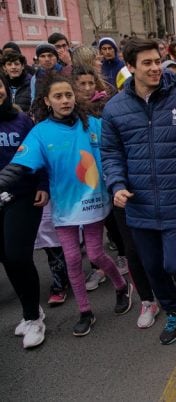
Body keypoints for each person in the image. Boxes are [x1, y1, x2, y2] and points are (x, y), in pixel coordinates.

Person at [100, 37, 176, 345]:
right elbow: (110, 153)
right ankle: (174, 311)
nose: (155, 68)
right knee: (151, 267)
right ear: (130, 67)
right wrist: (118, 185)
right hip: (138, 204)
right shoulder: (114, 109)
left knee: (175, 263)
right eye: (147, 63)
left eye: (157, 61)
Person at [0, 74, 132, 337]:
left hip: (95, 201)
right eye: (58, 97)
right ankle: (85, 311)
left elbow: (118, 150)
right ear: (47, 101)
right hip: (64, 207)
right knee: (72, 259)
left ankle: (120, 285)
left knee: (94, 255)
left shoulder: (94, 124)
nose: (65, 100)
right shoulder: (40, 132)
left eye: (68, 95)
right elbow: (19, 166)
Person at [0, 74, 48, 348]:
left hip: (22, 195)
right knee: (6, 256)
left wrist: (43, 184)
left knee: (18, 254)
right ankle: (32, 309)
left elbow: (39, 153)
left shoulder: (20, 121)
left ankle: (33, 318)